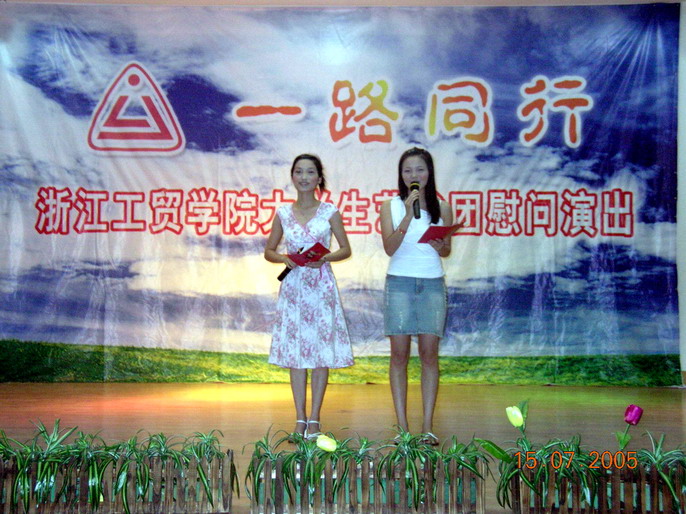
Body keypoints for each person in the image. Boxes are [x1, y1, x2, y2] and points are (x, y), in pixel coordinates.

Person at [264, 153, 354, 441]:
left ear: (319, 178)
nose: (304, 177)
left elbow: (345, 249)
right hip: (294, 288)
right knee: (296, 355)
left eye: (310, 172)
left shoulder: (329, 211)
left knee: (320, 354)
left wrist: (324, 258)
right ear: (292, 177)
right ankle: (299, 418)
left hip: (320, 286)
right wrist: (284, 258)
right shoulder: (283, 212)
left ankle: (315, 418)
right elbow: (269, 251)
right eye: (299, 172)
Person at [379, 147, 455, 446]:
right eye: (408, 170)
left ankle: (427, 426)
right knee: (399, 355)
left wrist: (439, 244)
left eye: (420, 169)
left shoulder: (442, 207)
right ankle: (402, 427)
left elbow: (446, 250)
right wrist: (408, 217)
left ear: (429, 173)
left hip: (432, 283)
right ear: (401, 175)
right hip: (399, 283)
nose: (414, 175)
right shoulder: (391, 206)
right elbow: (389, 248)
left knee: (428, 355)